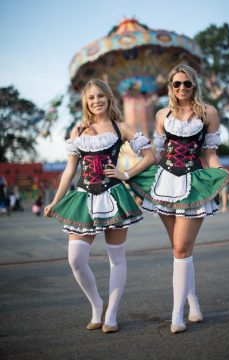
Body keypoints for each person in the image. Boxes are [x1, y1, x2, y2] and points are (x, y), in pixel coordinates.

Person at [128, 64, 229, 334]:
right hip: (165, 183)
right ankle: (193, 300)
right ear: (171, 87)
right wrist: (130, 173)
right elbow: (159, 154)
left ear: (194, 85)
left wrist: (220, 172)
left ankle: (177, 315)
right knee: (179, 250)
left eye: (187, 83)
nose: (182, 88)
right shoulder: (163, 115)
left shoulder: (208, 113)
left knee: (181, 249)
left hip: (192, 184)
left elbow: (209, 154)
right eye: (177, 84)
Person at [44, 79, 155, 333]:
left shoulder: (121, 128)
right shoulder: (79, 130)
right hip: (84, 197)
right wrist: (55, 200)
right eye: (91, 97)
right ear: (86, 101)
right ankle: (97, 305)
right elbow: (70, 169)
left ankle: (112, 315)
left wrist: (126, 174)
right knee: (76, 259)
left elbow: (151, 156)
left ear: (108, 98)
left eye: (100, 96)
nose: (96, 101)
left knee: (116, 259)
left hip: (114, 197)